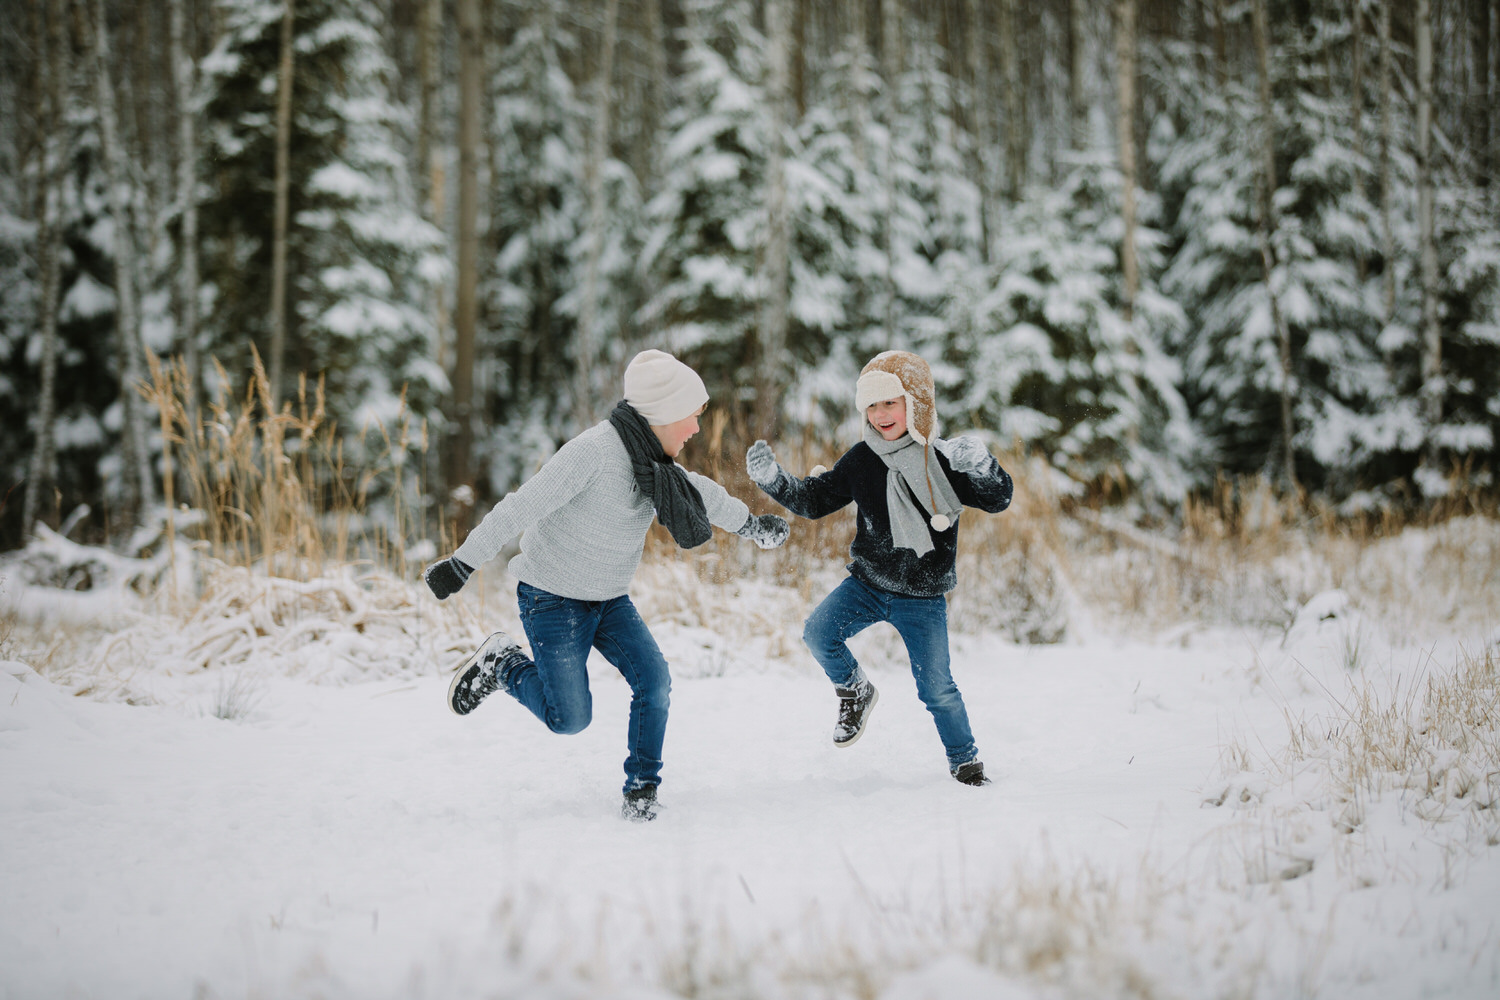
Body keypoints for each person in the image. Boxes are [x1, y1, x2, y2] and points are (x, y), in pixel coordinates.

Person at [424, 350, 788, 820]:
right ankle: (503, 664)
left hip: (609, 600)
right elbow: (519, 507)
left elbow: (704, 495)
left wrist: (750, 525)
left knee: (654, 681)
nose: (696, 429)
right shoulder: (593, 453)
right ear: (661, 415)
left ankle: (642, 789)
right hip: (551, 598)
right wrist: (462, 563)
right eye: (691, 418)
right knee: (569, 719)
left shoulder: (656, 465)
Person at [745, 350, 1012, 785]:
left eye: (891, 402)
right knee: (818, 633)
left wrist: (983, 466)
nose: (880, 414)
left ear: (917, 403)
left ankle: (965, 760)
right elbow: (815, 500)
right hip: (867, 584)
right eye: (871, 405)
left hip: (923, 598)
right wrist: (774, 479)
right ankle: (855, 691)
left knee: (937, 689)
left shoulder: (944, 459)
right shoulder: (862, 459)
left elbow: (998, 498)